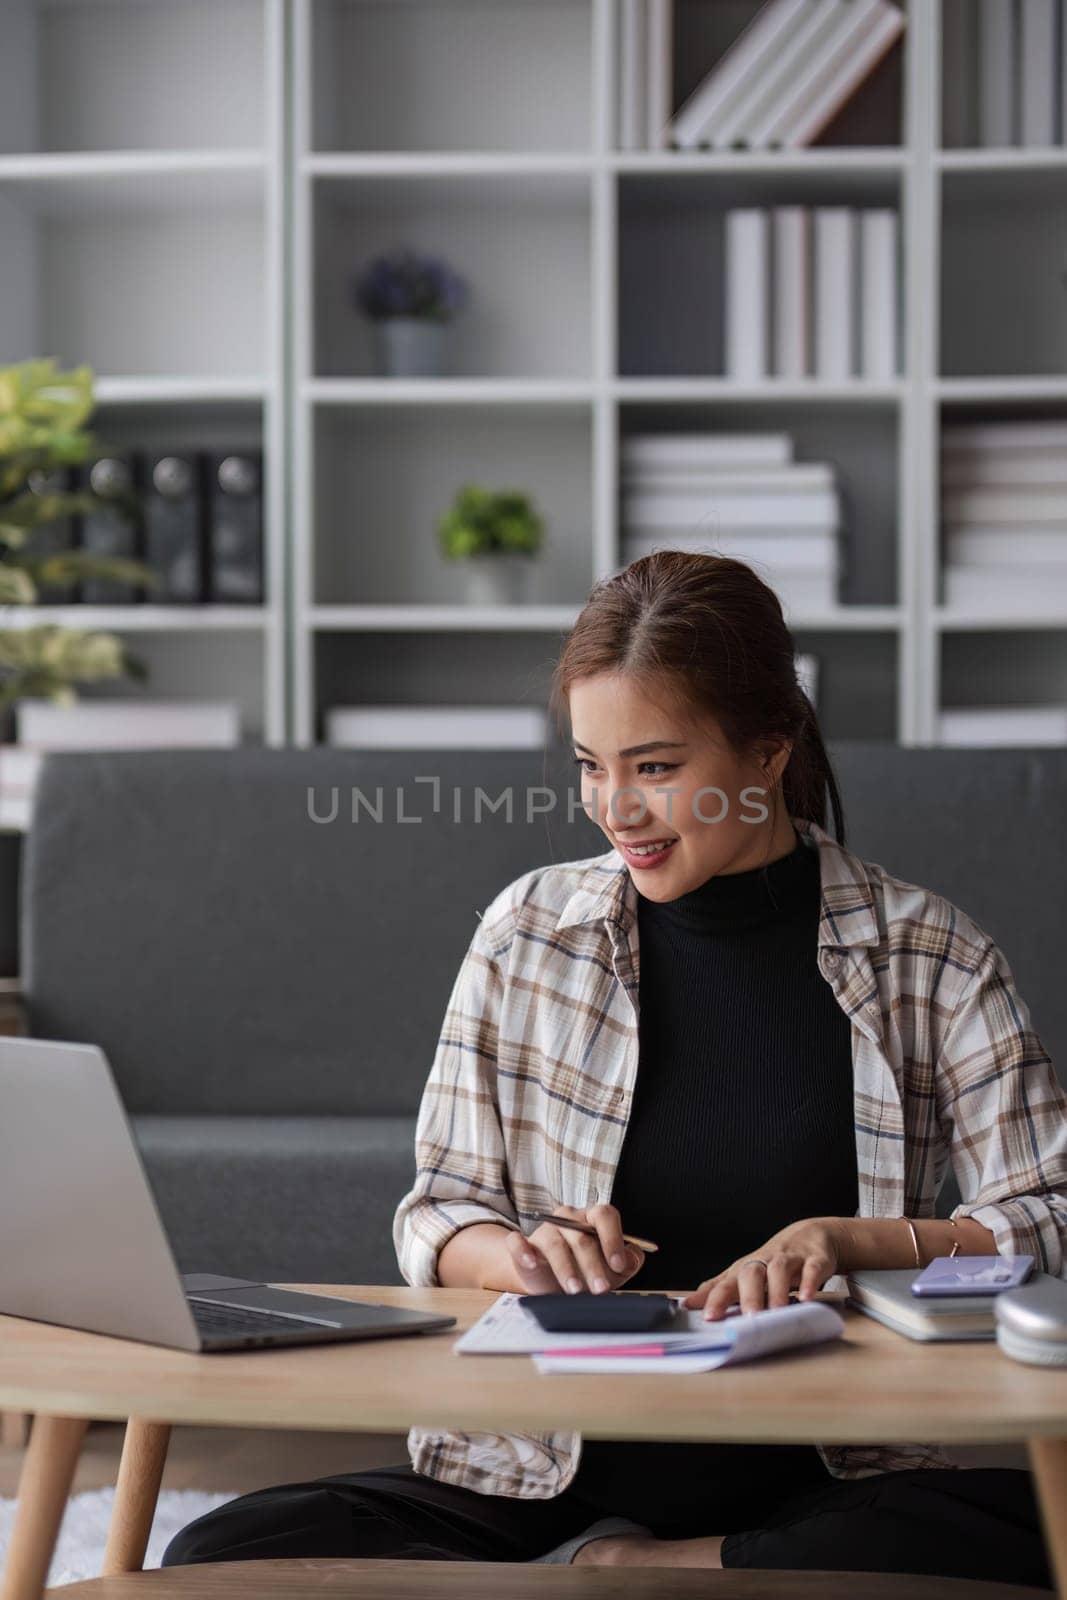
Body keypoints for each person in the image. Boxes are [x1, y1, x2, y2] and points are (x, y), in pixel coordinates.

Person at [163, 551, 1067, 1585]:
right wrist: (523, 1258)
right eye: (590, 764)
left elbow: (1047, 1214)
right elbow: (437, 1212)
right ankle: (656, 1566)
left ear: (767, 751)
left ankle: (642, 1568)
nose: (613, 808)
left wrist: (850, 1240)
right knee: (218, 1551)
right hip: (534, 1475)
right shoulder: (529, 930)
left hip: (819, 1474)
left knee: (1028, 1527)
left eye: (653, 766)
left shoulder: (926, 951)